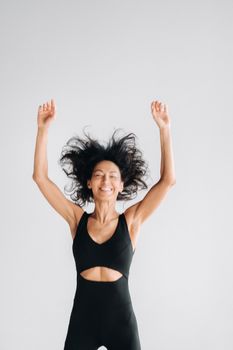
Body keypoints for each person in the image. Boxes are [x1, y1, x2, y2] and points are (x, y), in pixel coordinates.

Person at [32, 99, 176, 350]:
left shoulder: (131, 221)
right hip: (82, 322)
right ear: (89, 183)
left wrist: (164, 129)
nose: (105, 181)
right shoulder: (77, 218)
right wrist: (43, 130)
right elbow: (40, 178)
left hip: (121, 323)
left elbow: (167, 181)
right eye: (98, 175)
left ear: (121, 185)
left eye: (112, 176)